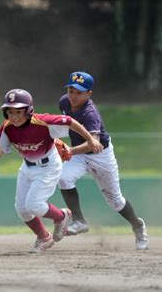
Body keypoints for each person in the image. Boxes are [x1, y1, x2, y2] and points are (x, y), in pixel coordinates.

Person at [0, 89, 104, 253]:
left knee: (34, 205)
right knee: (22, 209)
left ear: (29, 110)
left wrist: (90, 139)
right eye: (10, 112)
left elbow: (70, 121)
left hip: (48, 167)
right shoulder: (7, 128)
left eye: (18, 111)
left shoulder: (43, 122)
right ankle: (44, 237)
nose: (14, 116)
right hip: (27, 167)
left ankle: (62, 217)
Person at [57, 71, 149, 250]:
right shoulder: (64, 102)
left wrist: (70, 150)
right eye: (71, 90)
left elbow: (94, 144)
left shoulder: (90, 113)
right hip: (80, 155)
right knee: (64, 178)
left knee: (115, 201)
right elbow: (64, 124)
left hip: (101, 156)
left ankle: (137, 225)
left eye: (79, 92)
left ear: (89, 94)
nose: (73, 96)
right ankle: (79, 220)